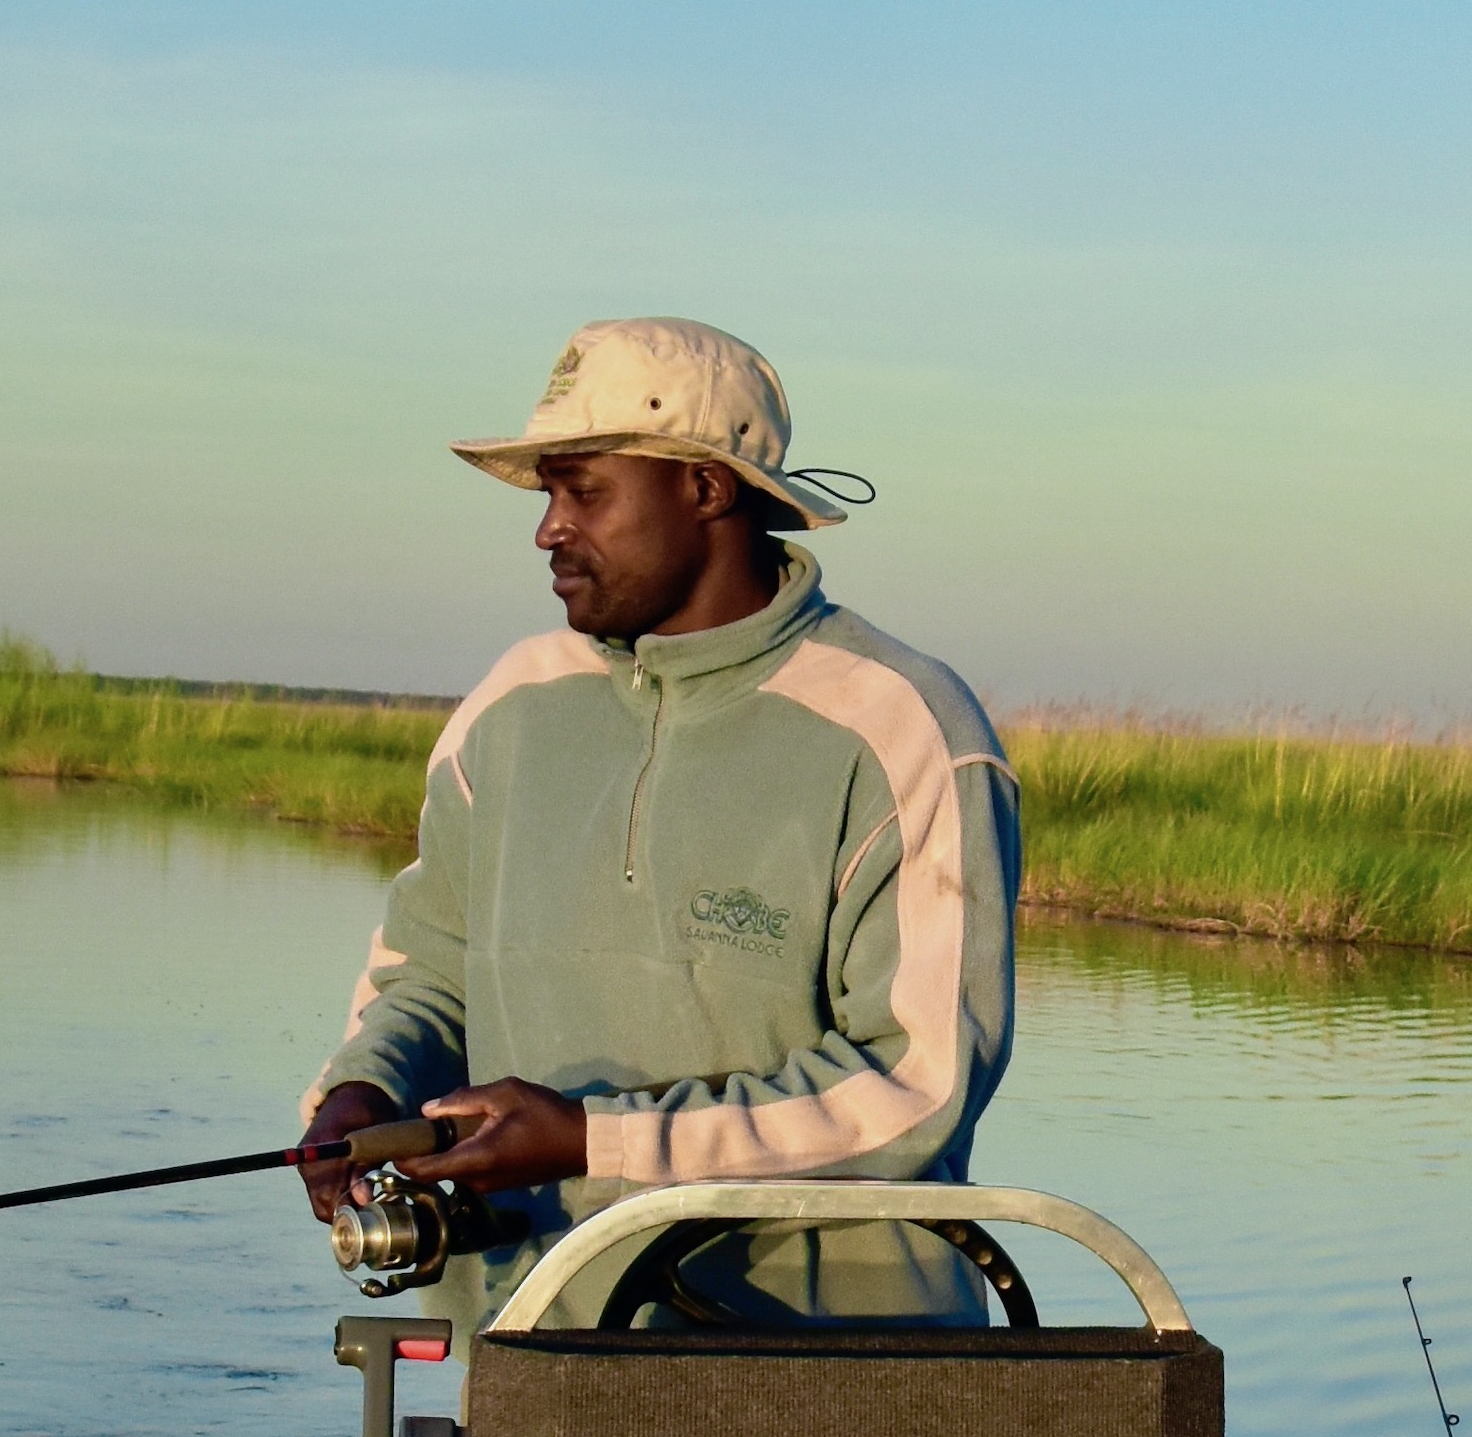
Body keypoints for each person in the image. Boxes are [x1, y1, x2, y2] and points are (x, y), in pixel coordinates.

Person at [300, 313, 1017, 1323]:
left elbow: (914, 1085)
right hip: (531, 1354)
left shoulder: (905, 728)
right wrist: (361, 1094)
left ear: (704, 488)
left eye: (582, 488)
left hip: (842, 1383)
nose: (548, 527)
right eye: (548, 491)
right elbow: (428, 973)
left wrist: (598, 1141)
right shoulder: (507, 708)